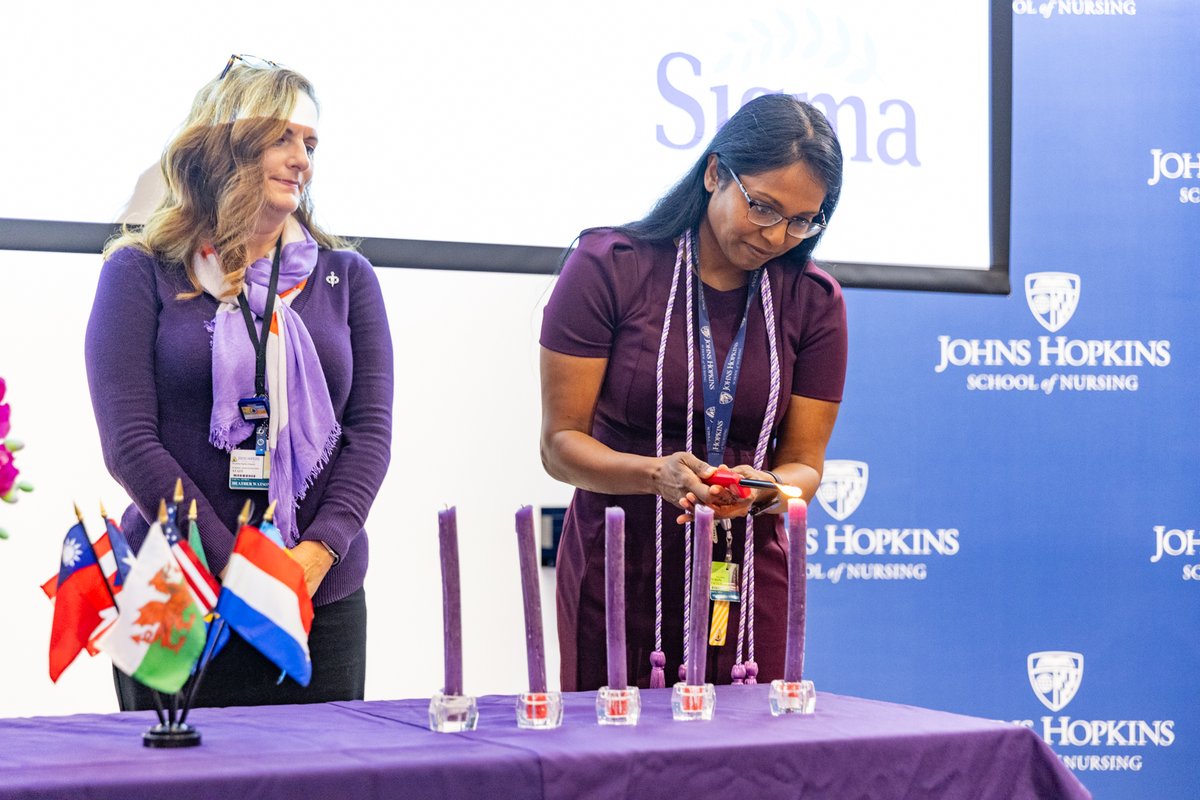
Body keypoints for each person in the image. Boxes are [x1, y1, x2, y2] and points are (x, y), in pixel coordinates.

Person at [85, 56, 394, 708]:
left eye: (309, 143)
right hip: (176, 587)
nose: (302, 158)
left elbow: (369, 435)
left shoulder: (347, 278)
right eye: (282, 137)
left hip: (318, 595)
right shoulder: (139, 272)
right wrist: (243, 570)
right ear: (224, 141)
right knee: (170, 780)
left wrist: (313, 558)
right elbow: (130, 444)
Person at [540, 94, 847, 691]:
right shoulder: (610, 266)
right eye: (762, 207)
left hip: (748, 577)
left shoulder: (814, 301)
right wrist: (656, 474)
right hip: (619, 567)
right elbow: (559, 446)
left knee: (747, 773)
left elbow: (805, 466)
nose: (778, 234)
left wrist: (764, 493)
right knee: (612, 769)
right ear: (714, 174)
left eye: (803, 220)